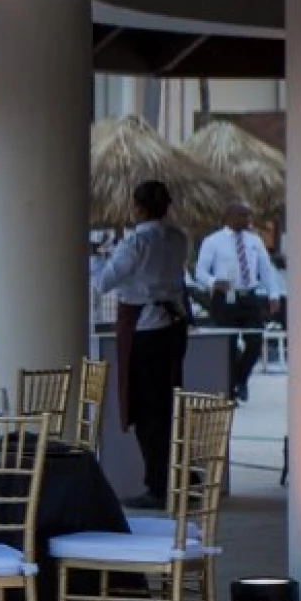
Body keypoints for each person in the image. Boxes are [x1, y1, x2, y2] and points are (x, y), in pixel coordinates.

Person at [93, 179, 191, 511]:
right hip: (173, 327)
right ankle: (172, 476)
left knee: (145, 408)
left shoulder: (136, 242)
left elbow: (105, 282)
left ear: (138, 208)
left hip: (144, 329)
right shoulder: (178, 238)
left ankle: (157, 484)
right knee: (168, 403)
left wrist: (104, 258)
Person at [194, 199, 278, 403]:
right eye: (243, 215)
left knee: (255, 340)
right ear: (229, 217)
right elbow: (200, 272)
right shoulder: (213, 241)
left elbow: (266, 269)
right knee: (228, 344)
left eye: (248, 215)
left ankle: (241, 380)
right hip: (225, 298)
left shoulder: (254, 241)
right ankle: (229, 387)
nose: (248, 219)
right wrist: (214, 282)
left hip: (248, 296)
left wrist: (273, 294)